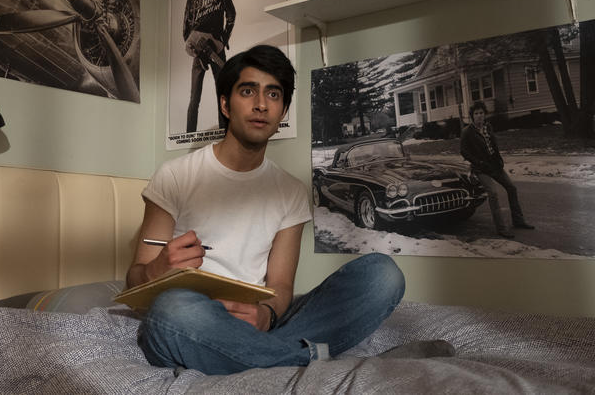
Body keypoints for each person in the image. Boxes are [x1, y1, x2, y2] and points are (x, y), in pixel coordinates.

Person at [128, 45, 448, 376]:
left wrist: (266, 313)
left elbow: (280, 286)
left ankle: (264, 355)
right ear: (225, 104)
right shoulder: (175, 175)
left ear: (282, 112)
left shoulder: (291, 192)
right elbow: (135, 278)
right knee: (171, 311)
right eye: (248, 91)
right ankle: (339, 365)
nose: (261, 104)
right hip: (193, 316)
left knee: (383, 274)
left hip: (257, 324)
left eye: (273, 94)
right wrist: (159, 268)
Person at [460, 101, 534, 239]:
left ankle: (518, 221)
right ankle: (501, 228)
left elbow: (493, 145)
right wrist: (478, 162)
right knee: (493, 194)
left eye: (481, 113)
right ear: (472, 116)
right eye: (476, 113)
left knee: (512, 188)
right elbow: (464, 151)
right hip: (481, 169)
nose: (479, 116)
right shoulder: (467, 132)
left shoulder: (488, 127)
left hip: (494, 166)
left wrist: (499, 159)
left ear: (485, 114)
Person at [182, 0, 236, 132]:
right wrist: (224, 38)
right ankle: (224, 133)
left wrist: (196, 49)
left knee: (194, 97)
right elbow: (231, 15)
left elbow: (185, 29)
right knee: (223, 94)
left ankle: (189, 134)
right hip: (215, 46)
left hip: (198, 46)